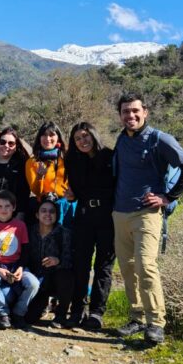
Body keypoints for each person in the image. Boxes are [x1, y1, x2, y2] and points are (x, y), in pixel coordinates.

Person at [112, 95, 183, 344]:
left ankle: (156, 323)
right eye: (126, 112)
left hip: (147, 214)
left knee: (146, 266)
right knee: (128, 268)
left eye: (135, 111)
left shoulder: (159, 139)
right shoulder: (122, 139)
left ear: (145, 112)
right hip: (120, 212)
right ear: (120, 115)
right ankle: (136, 318)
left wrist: (168, 197)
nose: (131, 116)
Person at [65, 121, 116, 330]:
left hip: (108, 217)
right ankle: (77, 310)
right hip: (84, 215)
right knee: (81, 264)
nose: (82, 141)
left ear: (93, 135)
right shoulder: (73, 161)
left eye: (85, 136)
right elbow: (73, 189)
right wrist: (71, 195)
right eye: (77, 138)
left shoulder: (110, 157)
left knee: (104, 266)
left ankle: (96, 312)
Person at [0, 190, 40, 329]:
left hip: (17, 265)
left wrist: (20, 268)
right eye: (0, 206)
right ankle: (3, 314)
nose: (3, 210)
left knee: (33, 284)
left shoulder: (20, 225)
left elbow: (25, 250)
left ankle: (19, 313)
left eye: (7, 206)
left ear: (14, 207)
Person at [23, 196, 73, 326]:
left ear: (57, 215)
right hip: (36, 278)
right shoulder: (29, 231)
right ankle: (42, 306)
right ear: (37, 214)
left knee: (66, 276)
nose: (47, 214)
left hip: (55, 278)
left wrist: (57, 261)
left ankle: (61, 315)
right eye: (43, 211)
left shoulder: (64, 233)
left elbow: (69, 260)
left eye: (52, 211)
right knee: (30, 318)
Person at [26, 121, 68, 201]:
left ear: (58, 137)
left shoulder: (67, 159)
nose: (48, 138)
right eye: (44, 135)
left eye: (51, 135)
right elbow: (37, 192)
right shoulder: (32, 162)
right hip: (45, 208)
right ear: (39, 138)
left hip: (67, 205)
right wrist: (39, 177)